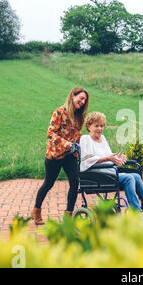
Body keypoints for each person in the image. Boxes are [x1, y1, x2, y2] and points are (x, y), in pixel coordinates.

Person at [80, 112, 143, 214]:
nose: (100, 129)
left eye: (102, 126)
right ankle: (136, 212)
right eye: (96, 126)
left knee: (136, 176)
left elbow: (109, 157)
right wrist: (108, 158)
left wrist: (117, 158)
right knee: (129, 178)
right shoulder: (85, 139)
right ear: (89, 126)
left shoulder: (103, 139)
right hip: (96, 176)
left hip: (108, 173)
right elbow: (87, 160)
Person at [31, 87, 89, 225]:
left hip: (70, 156)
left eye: (84, 100)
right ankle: (36, 210)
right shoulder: (59, 112)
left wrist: (87, 142)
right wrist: (66, 143)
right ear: (72, 96)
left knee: (75, 182)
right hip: (55, 155)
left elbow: (77, 135)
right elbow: (50, 133)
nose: (82, 102)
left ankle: (68, 216)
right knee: (48, 183)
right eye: (81, 98)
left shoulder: (79, 116)